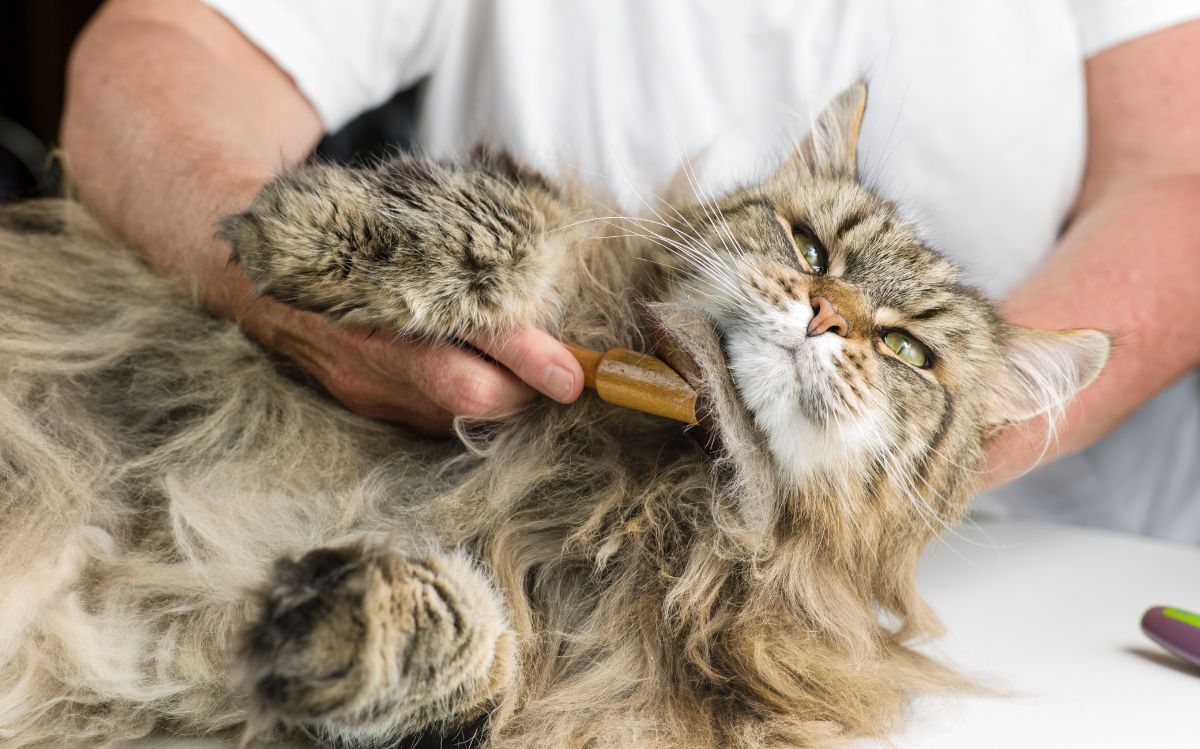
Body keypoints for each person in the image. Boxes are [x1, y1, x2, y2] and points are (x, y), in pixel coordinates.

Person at [61, 0, 1200, 541]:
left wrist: (907, 472)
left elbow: (1181, 185)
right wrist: (276, 286)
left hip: (1047, 556)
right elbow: (163, 47)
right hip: (525, 505)